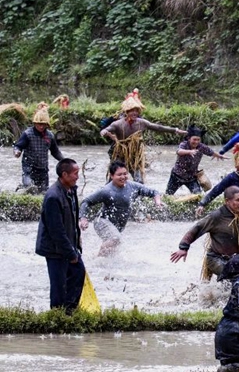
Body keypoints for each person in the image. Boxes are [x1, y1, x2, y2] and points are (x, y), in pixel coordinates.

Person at [171, 186, 239, 280]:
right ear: (227, 201)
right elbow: (196, 229)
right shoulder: (216, 216)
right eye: (238, 200)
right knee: (234, 275)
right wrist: (183, 248)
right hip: (217, 258)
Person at [99, 89, 186, 183]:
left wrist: (175, 130)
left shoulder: (142, 123)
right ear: (127, 112)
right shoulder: (118, 124)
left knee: (139, 180)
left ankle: (140, 196)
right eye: (132, 111)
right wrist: (104, 131)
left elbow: (158, 127)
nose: (134, 113)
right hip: (120, 153)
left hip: (135, 155)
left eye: (136, 111)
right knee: (113, 179)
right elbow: (107, 129)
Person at [80, 161, 164, 257]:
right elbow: (86, 202)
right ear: (112, 176)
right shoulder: (106, 191)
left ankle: (106, 265)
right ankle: (99, 261)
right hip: (102, 221)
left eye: (125, 174)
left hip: (117, 224)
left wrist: (157, 201)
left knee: (113, 247)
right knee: (115, 238)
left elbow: (153, 192)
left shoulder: (133, 186)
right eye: (119, 175)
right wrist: (83, 218)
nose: (123, 177)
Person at [35, 158, 85, 312]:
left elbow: (73, 220)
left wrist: (76, 245)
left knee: (78, 273)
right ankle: (57, 316)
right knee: (58, 285)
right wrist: (70, 252)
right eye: (75, 173)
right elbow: (56, 231)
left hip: (68, 245)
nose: (78, 177)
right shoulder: (53, 197)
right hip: (55, 249)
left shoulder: (71, 190)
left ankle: (69, 312)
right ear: (64, 174)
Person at [13, 103, 65, 193]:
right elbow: (18, 146)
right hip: (29, 167)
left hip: (43, 169)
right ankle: (23, 188)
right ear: (35, 123)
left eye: (43, 124)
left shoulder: (50, 135)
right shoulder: (27, 134)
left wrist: (64, 161)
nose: (41, 126)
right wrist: (17, 152)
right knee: (30, 187)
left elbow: (55, 152)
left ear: (46, 124)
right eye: (39, 124)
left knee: (44, 192)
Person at [167, 126, 225, 195]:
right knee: (168, 195)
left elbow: (211, 152)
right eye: (194, 139)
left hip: (191, 178)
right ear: (189, 138)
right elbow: (179, 151)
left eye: (198, 140)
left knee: (198, 196)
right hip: (176, 176)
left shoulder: (201, 147)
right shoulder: (184, 144)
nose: (196, 142)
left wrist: (219, 156)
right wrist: (189, 152)